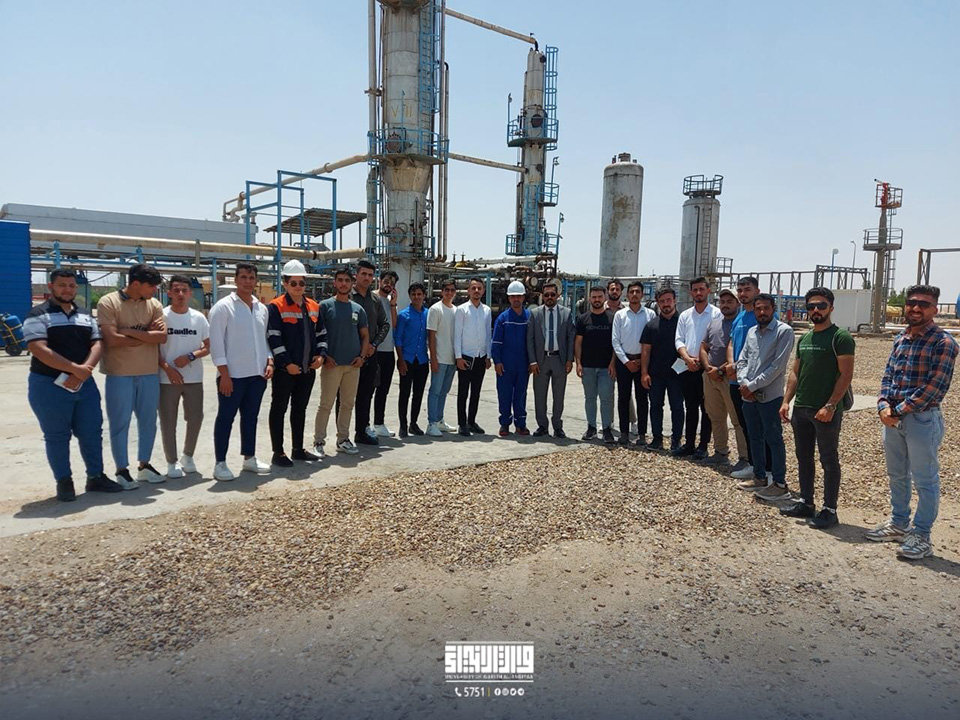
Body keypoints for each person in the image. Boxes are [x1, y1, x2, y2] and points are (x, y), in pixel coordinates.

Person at [867, 284, 957, 560]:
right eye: (912, 303)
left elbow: (935, 388)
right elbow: (888, 376)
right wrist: (883, 405)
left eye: (924, 304)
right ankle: (899, 523)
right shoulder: (901, 338)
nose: (916, 308)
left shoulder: (943, 343)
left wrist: (897, 410)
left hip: (921, 420)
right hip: (893, 418)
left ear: (935, 309)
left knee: (925, 479)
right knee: (897, 474)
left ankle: (921, 535)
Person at [23, 269, 122, 500]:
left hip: (84, 385)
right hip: (48, 385)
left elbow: (97, 343)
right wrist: (74, 369)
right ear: (51, 287)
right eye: (62, 285)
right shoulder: (37, 315)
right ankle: (64, 482)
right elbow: (38, 348)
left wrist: (85, 369)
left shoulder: (85, 315)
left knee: (91, 432)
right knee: (57, 435)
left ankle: (96, 477)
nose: (67, 290)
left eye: (71, 286)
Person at [779, 288, 855, 529]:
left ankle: (830, 510)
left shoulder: (840, 337)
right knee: (803, 457)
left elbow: (846, 375)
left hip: (825, 411)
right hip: (802, 408)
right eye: (811, 306)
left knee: (828, 459)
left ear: (831, 307)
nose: (815, 310)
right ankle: (806, 502)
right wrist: (786, 401)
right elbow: (795, 372)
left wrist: (831, 405)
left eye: (821, 305)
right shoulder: (805, 339)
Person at [97, 263, 167, 489]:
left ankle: (144, 465)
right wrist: (146, 334)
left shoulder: (154, 304)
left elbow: (162, 337)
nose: (154, 290)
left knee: (148, 421)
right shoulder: (108, 302)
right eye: (151, 286)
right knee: (120, 423)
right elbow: (111, 339)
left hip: (148, 372)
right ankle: (121, 469)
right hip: (120, 373)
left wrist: (127, 332)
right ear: (136, 284)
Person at [209, 262, 274, 481]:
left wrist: (269, 361)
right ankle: (220, 463)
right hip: (233, 377)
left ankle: (249, 458)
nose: (247, 281)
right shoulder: (223, 307)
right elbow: (217, 344)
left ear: (256, 281)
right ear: (236, 280)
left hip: (257, 375)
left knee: (250, 418)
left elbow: (263, 340)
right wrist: (224, 375)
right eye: (243, 277)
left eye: (251, 277)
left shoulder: (261, 308)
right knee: (225, 418)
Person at [266, 260, 326, 468]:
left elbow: (322, 334)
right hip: (285, 371)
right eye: (293, 283)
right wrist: (286, 364)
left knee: (300, 409)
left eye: (301, 282)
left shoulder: (314, 306)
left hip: (307, 370)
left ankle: (298, 449)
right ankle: (278, 452)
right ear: (285, 283)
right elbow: (274, 338)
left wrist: (320, 356)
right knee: (279, 409)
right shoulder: (276, 306)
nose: (298, 286)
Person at [735, 293, 794, 501]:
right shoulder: (752, 332)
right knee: (754, 437)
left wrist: (751, 386)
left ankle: (779, 484)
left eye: (766, 308)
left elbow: (777, 366)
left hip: (770, 396)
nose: (762, 312)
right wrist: (744, 383)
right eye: (758, 308)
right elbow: (742, 360)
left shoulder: (783, 332)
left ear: (773, 309)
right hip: (748, 396)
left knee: (773, 439)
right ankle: (759, 476)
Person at [313, 267, 370, 456]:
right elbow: (317, 334)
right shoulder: (325, 306)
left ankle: (343, 439)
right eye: (340, 280)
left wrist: (362, 357)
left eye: (347, 280)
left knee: (347, 404)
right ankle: (319, 441)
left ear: (352, 283)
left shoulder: (358, 309)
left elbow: (365, 336)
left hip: (352, 366)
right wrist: (324, 357)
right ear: (334, 283)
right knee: (326, 404)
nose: (343, 284)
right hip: (332, 365)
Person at [158, 275, 210, 479]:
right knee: (168, 421)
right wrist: (167, 369)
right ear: (169, 293)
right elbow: (153, 348)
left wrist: (190, 356)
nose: (180, 294)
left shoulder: (198, 318)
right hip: (167, 379)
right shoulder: (161, 316)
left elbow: (208, 346)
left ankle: (188, 456)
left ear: (190, 293)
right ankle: (171, 462)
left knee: (195, 418)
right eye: (176, 290)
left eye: (184, 290)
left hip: (193, 378)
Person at [727, 276, 772, 480]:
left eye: (747, 289)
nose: (743, 293)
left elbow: (764, 351)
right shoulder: (740, 316)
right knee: (747, 426)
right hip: (735, 379)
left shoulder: (762, 316)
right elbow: (731, 343)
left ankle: (769, 470)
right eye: (740, 290)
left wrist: (742, 371)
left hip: (754, 382)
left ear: (757, 291)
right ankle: (754, 465)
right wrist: (731, 365)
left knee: (762, 429)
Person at [698, 287, 748, 468]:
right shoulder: (714, 323)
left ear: (737, 303)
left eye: (730, 301)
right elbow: (703, 347)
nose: (725, 305)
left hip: (730, 377)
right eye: (723, 302)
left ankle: (745, 457)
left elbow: (741, 353)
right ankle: (720, 452)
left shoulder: (742, 324)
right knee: (716, 416)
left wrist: (720, 371)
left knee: (737, 419)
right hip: (710, 376)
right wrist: (708, 368)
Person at [674, 276, 721, 458]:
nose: (698, 293)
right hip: (688, 367)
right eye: (695, 290)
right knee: (690, 407)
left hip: (707, 368)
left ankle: (703, 445)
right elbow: (679, 339)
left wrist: (704, 363)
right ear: (690, 292)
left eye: (702, 289)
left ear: (708, 290)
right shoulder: (685, 315)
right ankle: (689, 444)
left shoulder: (716, 314)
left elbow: (717, 342)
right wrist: (687, 358)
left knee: (707, 408)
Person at [527, 280, 575, 438]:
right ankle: (542, 426)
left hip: (559, 360)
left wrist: (569, 360)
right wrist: (533, 361)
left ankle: (557, 426)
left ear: (557, 295)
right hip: (541, 361)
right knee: (540, 396)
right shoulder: (535, 314)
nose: (549, 297)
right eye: (546, 294)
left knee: (558, 396)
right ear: (542, 296)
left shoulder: (566, 313)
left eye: (552, 294)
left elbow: (570, 338)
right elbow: (530, 339)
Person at [351, 259, 390, 446]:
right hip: (350, 356)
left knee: (366, 394)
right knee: (345, 397)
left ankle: (362, 430)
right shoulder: (347, 297)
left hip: (370, 355)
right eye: (363, 274)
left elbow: (385, 324)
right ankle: (343, 435)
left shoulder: (375, 300)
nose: (367, 278)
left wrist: (374, 344)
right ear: (356, 275)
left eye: (370, 275)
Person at [612, 281, 656, 447]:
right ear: (627, 295)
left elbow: (653, 340)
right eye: (632, 292)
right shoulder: (620, 315)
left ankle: (642, 434)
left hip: (643, 363)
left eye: (638, 292)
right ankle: (624, 433)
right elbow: (615, 341)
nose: (635, 294)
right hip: (624, 362)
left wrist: (641, 361)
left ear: (642, 294)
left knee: (642, 398)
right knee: (623, 398)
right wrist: (626, 361)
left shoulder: (650, 315)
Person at [641, 288, 684, 451]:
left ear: (675, 300)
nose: (666, 304)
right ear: (658, 303)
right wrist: (644, 373)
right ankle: (657, 438)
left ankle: (676, 440)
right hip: (656, 374)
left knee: (677, 407)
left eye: (668, 300)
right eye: (662, 301)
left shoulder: (683, 323)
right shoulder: (651, 325)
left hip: (677, 375)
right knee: (656, 406)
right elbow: (646, 351)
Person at [575, 286, 617, 444]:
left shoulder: (612, 318)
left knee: (606, 399)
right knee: (590, 398)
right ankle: (591, 427)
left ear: (605, 297)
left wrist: (613, 363)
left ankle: (606, 429)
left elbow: (616, 343)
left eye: (600, 296)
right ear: (589, 299)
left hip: (606, 368)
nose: (597, 300)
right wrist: (578, 363)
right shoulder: (582, 319)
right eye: (594, 297)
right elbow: (578, 343)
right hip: (588, 367)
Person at [454, 277, 493, 436]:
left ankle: (472, 421)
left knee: (476, 392)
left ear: (483, 291)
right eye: (473, 288)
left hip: (480, 356)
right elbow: (457, 334)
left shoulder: (487, 310)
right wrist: (458, 357)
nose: (476, 291)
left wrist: (488, 356)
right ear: (468, 291)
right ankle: (462, 423)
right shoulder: (461, 310)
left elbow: (488, 333)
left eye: (479, 288)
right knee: (463, 392)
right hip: (466, 356)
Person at [493, 281, 531, 437]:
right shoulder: (503, 318)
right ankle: (504, 424)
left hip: (523, 363)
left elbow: (533, 341)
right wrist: (497, 361)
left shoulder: (529, 317)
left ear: (523, 297)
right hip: (506, 364)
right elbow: (496, 342)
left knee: (521, 394)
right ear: (509, 298)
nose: (516, 299)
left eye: (519, 296)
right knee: (505, 394)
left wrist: (532, 361)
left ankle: (520, 424)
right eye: (513, 296)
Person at [395, 282, 430, 437]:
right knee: (404, 393)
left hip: (422, 360)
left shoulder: (428, 314)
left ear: (424, 295)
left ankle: (413, 424)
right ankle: (403, 424)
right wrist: (401, 360)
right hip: (407, 359)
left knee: (418, 393)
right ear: (410, 296)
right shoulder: (404, 315)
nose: (416, 297)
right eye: (414, 294)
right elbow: (398, 339)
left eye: (419, 294)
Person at [426, 279, 458, 437]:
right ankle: (431, 423)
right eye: (447, 290)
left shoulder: (456, 310)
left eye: (452, 290)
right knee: (435, 391)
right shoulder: (435, 309)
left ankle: (439, 419)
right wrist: (433, 359)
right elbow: (431, 336)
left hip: (452, 358)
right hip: (439, 358)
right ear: (442, 291)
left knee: (444, 391)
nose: (449, 293)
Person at [606, 278, 638, 435]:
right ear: (608, 291)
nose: (614, 291)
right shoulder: (600, 309)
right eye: (612, 289)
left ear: (621, 292)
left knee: (625, 393)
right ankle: (609, 421)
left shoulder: (626, 311)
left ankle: (632, 421)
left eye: (617, 289)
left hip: (622, 357)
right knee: (608, 392)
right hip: (604, 357)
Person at [372, 270, 399, 438]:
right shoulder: (372, 298)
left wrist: (393, 305)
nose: (389, 284)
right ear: (380, 280)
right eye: (387, 281)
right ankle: (364, 426)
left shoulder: (390, 302)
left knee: (383, 390)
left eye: (393, 283)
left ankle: (379, 424)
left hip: (388, 351)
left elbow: (394, 325)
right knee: (368, 390)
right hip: (374, 351)